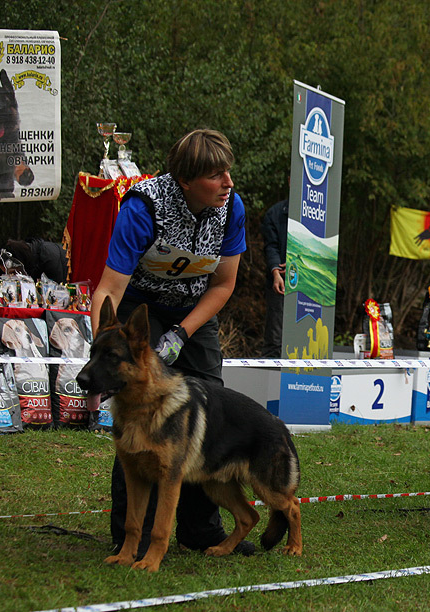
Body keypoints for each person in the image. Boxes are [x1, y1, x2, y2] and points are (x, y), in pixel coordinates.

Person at [89, 128, 247, 556]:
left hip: (194, 310)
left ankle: (201, 530)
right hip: (141, 311)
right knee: (142, 415)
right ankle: (130, 535)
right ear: (185, 180)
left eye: (227, 172)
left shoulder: (231, 207)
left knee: (208, 407)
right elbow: (109, 287)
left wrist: (183, 332)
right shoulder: (143, 207)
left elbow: (225, 283)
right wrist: (102, 342)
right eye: (216, 176)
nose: (228, 183)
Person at [260, 198, 288, 358]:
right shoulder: (276, 213)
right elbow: (270, 246)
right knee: (275, 336)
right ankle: (270, 377)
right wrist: (276, 272)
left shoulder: (320, 213)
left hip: (310, 285)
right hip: (282, 281)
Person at [0, 238, 68, 282]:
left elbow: (58, 291)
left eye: (12, 272)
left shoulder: (47, 258)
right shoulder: (33, 258)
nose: (11, 276)